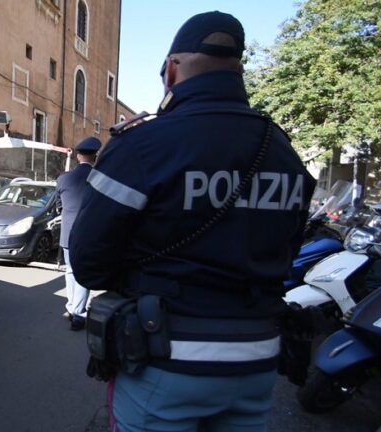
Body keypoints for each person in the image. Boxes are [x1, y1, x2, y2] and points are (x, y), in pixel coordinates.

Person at [70, 11, 316, 432]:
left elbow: (89, 261)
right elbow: (289, 251)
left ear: (171, 70)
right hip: (257, 360)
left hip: (166, 358)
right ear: (238, 69)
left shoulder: (144, 144)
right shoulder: (283, 151)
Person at [56, 137, 101, 331]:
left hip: (67, 233)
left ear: (77, 156)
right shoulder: (100, 178)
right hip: (88, 234)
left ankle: (71, 307)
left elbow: (58, 206)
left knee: (70, 271)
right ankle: (79, 314)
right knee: (83, 273)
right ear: (95, 157)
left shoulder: (63, 178)